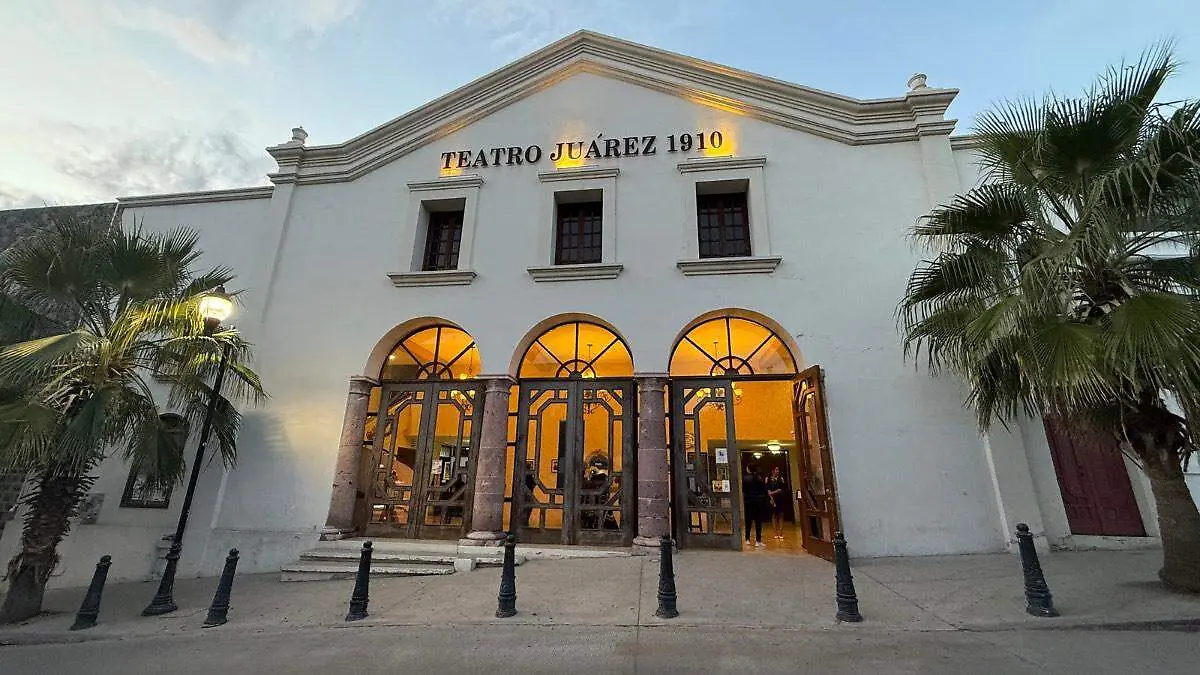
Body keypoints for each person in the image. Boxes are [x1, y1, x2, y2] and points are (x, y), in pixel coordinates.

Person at [741, 463, 769, 548]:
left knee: (748, 520)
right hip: (758, 502)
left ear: (748, 469)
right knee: (758, 521)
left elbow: (743, 490)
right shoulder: (759, 478)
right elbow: (764, 490)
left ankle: (747, 539)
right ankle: (758, 540)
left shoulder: (745, 478)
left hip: (748, 501)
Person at [766, 466, 788, 540]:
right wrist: (772, 498)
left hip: (780, 499)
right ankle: (775, 532)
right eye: (776, 469)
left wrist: (774, 492)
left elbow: (781, 489)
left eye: (778, 469)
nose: (777, 471)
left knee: (781, 515)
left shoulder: (781, 479)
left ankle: (781, 532)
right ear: (773, 471)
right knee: (774, 515)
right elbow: (768, 490)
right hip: (772, 499)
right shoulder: (768, 479)